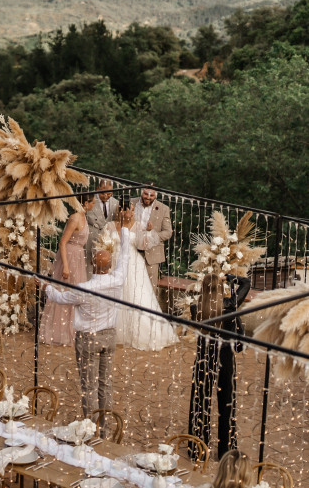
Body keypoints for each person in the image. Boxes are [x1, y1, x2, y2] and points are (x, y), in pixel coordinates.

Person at [44, 210, 134, 418]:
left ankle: (90, 426)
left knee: (89, 385)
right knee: (105, 383)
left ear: (92, 264)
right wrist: (125, 229)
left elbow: (60, 298)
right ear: (110, 266)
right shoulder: (118, 280)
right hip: (109, 336)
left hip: (88, 339)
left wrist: (46, 287)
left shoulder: (84, 289)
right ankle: (104, 426)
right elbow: (126, 255)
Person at [188, 274, 251, 459]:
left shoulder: (196, 309)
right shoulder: (229, 305)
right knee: (227, 405)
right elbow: (246, 282)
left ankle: (198, 449)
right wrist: (230, 277)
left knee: (200, 402)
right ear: (220, 289)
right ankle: (226, 449)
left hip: (204, 359)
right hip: (225, 359)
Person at [102, 209, 179, 351]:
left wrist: (148, 232)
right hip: (115, 263)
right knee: (115, 295)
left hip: (133, 263)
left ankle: (144, 332)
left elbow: (143, 245)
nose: (132, 213)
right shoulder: (110, 226)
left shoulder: (137, 226)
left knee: (137, 296)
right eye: (130, 210)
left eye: (133, 210)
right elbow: (104, 245)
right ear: (121, 210)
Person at [39, 193, 95, 346]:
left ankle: (72, 329)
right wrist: (65, 266)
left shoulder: (84, 217)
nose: (94, 205)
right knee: (64, 291)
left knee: (76, 293)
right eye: (92, 202)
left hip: (79, 256)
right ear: (85, 203)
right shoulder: (75, 218)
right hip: (69, 257)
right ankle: (58, 332)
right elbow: (63, 242)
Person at [132, 187, 173, 291]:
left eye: (152, 195)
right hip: (132, 251)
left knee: (149, 290)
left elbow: (168, 232)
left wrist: (151, 234)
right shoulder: (132, 202)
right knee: (131, 287)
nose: (148, 197)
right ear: (141, 192)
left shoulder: (163, 208)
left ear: (156, 195)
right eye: (146, 194)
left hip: (152, 256)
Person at [85, 180, 119, 276]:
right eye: (102, 193)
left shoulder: (116, 203)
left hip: (108, 244)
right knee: (88, 271)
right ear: (97, 189)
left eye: (109, 194)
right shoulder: (90, 200)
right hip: (90, 242)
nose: (105, 196)